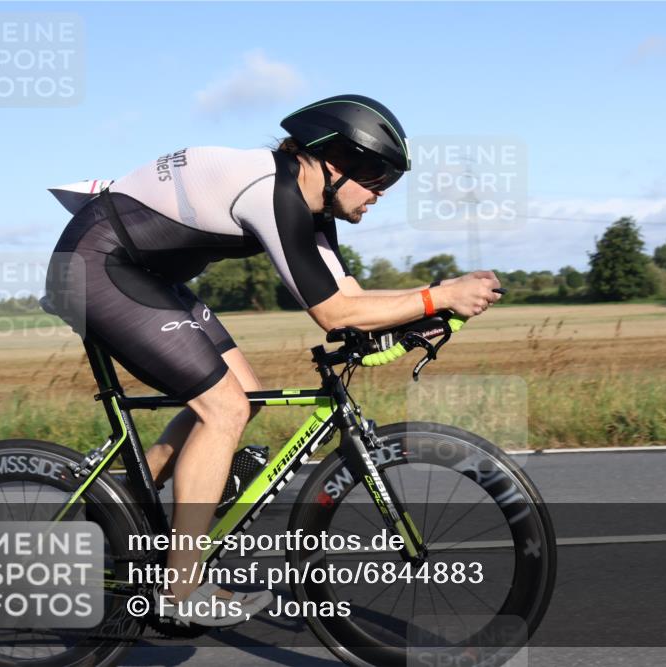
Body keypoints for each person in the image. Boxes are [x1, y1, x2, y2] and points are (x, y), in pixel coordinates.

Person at [45, 94, 502, 626]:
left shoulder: (312, 206)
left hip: (145, 276)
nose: (381, 194)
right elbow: (334, 313)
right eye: (376, 177)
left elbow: (351, 297)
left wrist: (420, 313)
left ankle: (120, 500)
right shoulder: (273, 192)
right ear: (333, 164)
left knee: (245, 397)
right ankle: (179, 589)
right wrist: (437, 297)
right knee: (224, 410)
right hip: (97, 269)